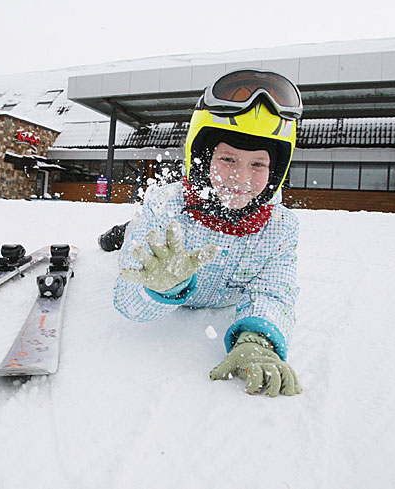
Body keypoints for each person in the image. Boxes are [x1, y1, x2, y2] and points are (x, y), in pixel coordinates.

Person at [113, 68, 303, 397]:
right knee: (128, 238)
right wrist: (160, 285)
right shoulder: (166, 207)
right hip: (152, 236)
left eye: (257, 164)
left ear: (275, 171)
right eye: (228, 158)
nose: (242, 178)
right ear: (201, 159)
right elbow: (126, 296)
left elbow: (274, 292)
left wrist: (258, 339)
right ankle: (120, 231)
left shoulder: (281, 227)